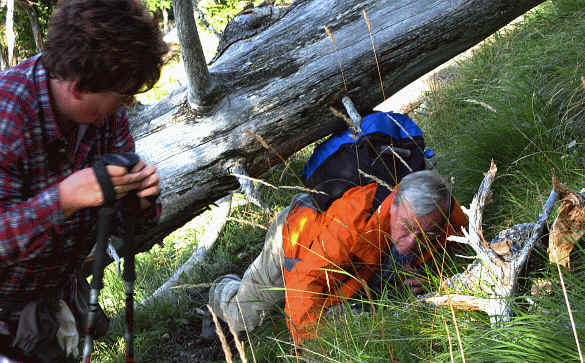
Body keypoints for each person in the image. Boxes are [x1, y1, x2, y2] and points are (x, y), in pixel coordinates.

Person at [0, 0, 168, 361]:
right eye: (122, 97)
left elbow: (134, 223)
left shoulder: (104, 115)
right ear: (77, 87)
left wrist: (138, 200)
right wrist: (63, 198)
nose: (126, 107)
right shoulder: (7, 118)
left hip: (50, 307)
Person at [209, 170, 467, 344]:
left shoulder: (444, 216)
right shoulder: (351, 224)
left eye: (425, 234)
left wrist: (429, 276)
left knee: (352, 321)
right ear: (394, 203)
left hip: (345, 272)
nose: (411, 243)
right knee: (242, 317)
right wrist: (313, 352)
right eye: (407, 228)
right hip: (295, 240)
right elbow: (303, 289)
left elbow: (465, 244)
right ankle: (220, 288)